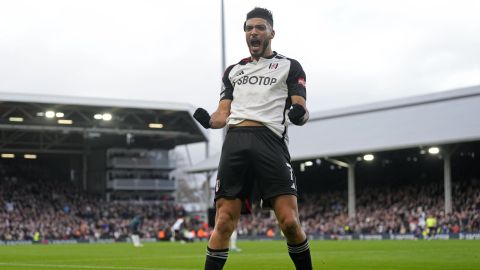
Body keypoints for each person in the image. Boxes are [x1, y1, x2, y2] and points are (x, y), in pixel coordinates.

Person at [193, 7, 313, 270]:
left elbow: (301, 110)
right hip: (235, 141)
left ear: (272, 32)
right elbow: (222, 115)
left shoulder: (290, 66)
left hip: (270, 141)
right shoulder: (233, 71)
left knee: (290, 223)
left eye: (259, 28)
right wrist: (208, 121)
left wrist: (299, 113)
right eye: (249, 28)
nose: (254, 32)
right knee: (223, 222)